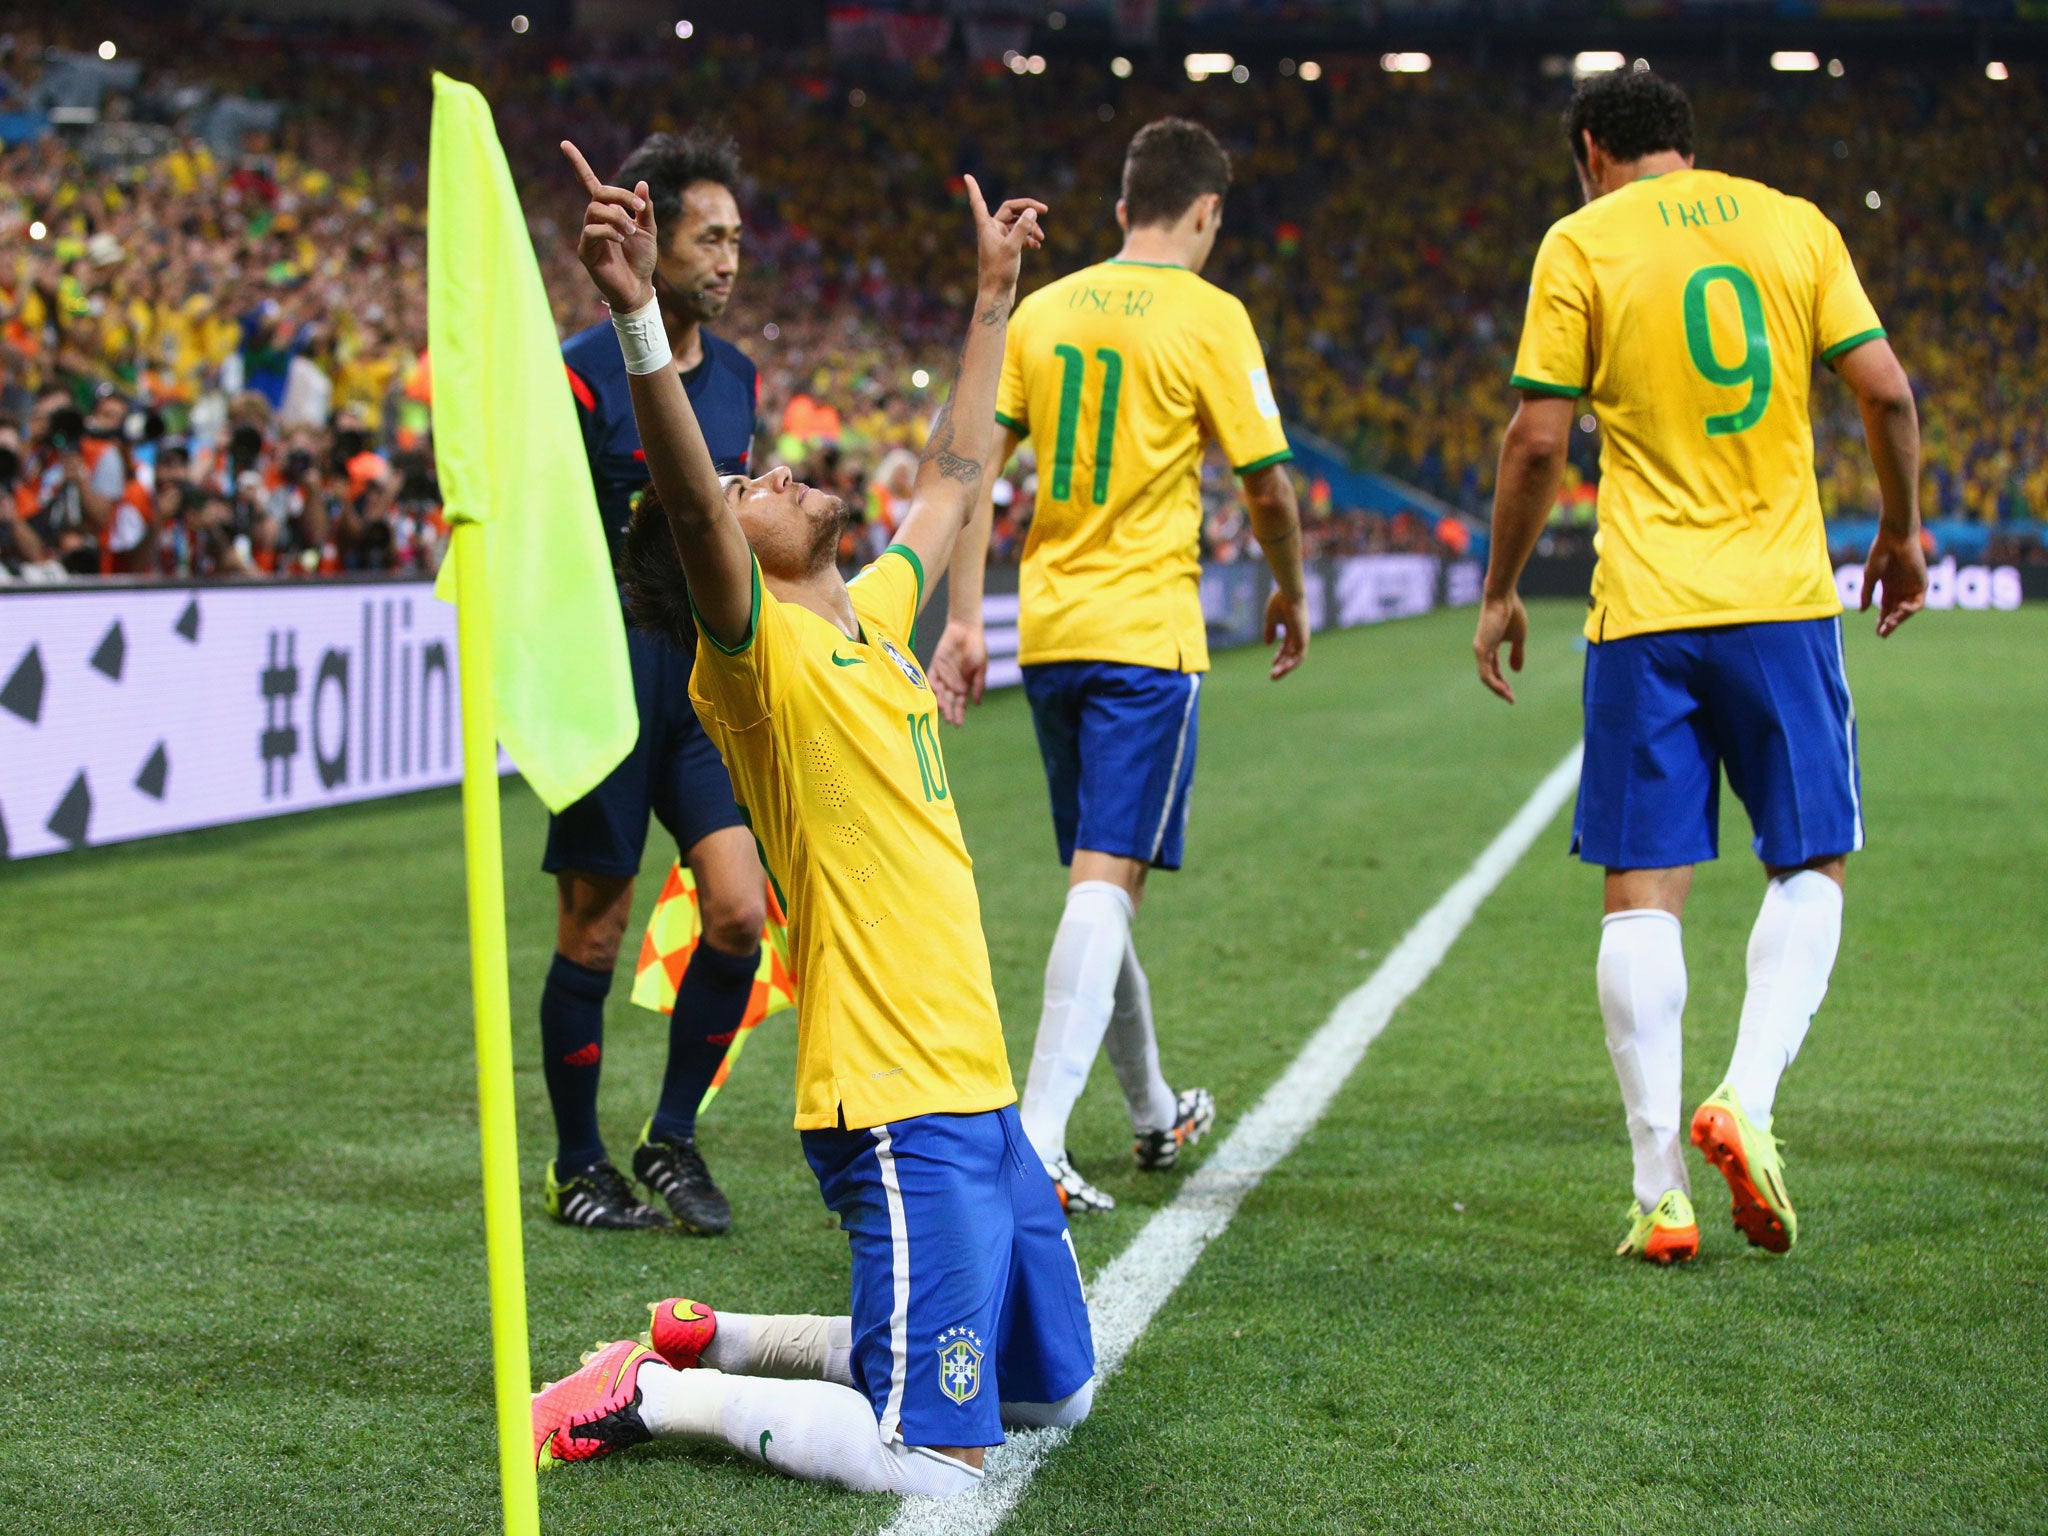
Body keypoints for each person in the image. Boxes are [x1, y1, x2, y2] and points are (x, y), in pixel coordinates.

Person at [529, 141, 1091, 1499]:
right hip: (897, 1102)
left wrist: (990, 299)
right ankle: (659, 1394)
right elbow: (683, 502)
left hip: (975, 1085)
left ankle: (714, 1331)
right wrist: (638, 322)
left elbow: (959, 472)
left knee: (1050, 1387)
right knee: (941, 1460)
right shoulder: (758, 664)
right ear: (726, 555)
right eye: (745, 492)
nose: (768, 475)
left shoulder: (874, 619)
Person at [1473, 69, 1926, 1263]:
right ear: (1685, 141)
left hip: (1643, 613)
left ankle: (1657, 1194)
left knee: (1641, 889)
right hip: (1779, 602)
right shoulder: (1792, 223)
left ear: (1589, 148)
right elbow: (1883, 390)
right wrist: (1900, 529)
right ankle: (1749, 1099)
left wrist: (1500, 586)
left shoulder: (1578, 242)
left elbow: (1533, 440)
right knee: (1811, 861)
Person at [929, 118, 1310, 1213]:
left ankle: (1151, 1111)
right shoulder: (1210, 315)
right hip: (1146, 637)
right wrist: (1286, 586)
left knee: (1103, 879)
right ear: (1206, 213)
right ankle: (1037, 1139)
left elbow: (970, 477)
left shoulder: (1044, 311)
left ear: (1117, 210)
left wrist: (966, 621)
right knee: (1106, 884)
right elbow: (1268, 486)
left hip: (1049, 632)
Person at [539, 130, 770, 1236]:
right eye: (709, 238)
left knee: (735, 915)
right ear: (653, 239)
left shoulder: (738, 382)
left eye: (736, 240)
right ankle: (578, 1165)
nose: (729, 260)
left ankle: (670, 1137)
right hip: (606, 677)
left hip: (702, 689)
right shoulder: (580, 374)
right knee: (594, 926)